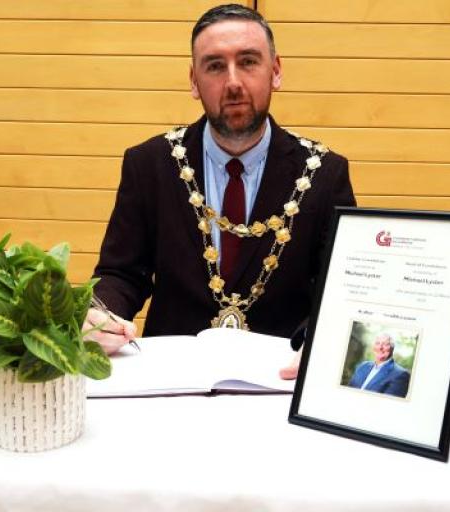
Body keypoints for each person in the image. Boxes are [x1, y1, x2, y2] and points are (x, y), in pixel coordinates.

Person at [83, 4, 356, 378]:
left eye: (248, 62)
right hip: (170, 379)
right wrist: (100, 314)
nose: (233, 83)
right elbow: (123, 273)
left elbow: (339, 291)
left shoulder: (324, 174)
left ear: (275, 72)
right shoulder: (150, 164)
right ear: (194, 81)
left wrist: (317, 340)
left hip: (278, 380)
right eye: (214, 66)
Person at [347, 333, 410, 398]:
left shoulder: (401, 375)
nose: (380, 347)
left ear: (392, 348)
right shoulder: (363, 366)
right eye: (377, 343)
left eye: (385, 344)